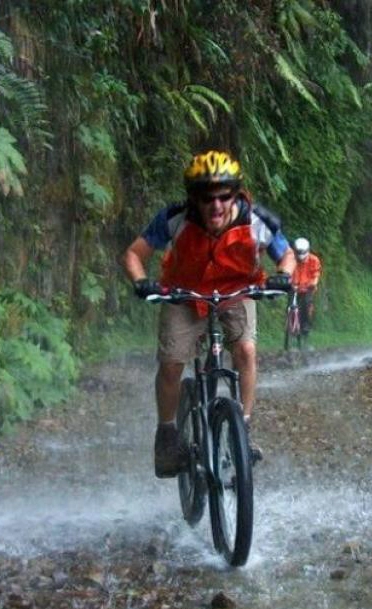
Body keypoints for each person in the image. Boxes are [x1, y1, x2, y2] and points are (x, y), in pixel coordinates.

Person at [122, 150, 295, 478]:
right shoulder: (175, 219)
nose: (216, 205)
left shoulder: (255, 220)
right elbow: (133, 254)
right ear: (193, 198)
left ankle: (242, 429)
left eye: (224, 196)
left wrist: (283, 276)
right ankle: (167, 434)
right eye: (206, 198)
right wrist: (142, 282)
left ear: (236, 195)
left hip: (237, 292)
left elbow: (286, 255)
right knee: (172, 364)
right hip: (184, 294)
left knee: (245, 350)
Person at [290, 237, 322, 340]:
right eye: (298, 252)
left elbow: (316, 274)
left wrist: (313, 283)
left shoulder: (314, 260)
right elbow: (286, 271)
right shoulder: (291, 259)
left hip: (307, 287)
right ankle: (290, 325)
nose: (300, 254)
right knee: (291, 304)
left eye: (302, 252)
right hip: (293, 286)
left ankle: (306, 325)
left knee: (306, 303)